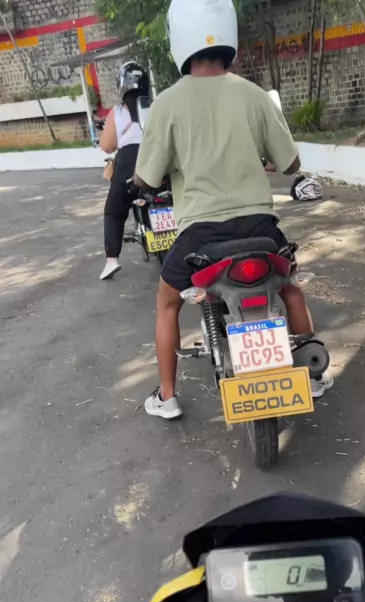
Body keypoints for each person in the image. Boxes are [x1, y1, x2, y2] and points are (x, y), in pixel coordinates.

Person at [134, 0, 333, 420]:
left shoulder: (167, 104)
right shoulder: (255, 95)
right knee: (290, 290)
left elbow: (146, 178)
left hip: (201, 236)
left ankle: (167, 397)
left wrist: (144, 179)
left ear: (177, 38)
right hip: (261, 229)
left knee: (167, 305)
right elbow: (291, 164)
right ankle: (314, 375)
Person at [99, 61, 150, 281]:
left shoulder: (117, 112)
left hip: (129, 165)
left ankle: (112, 260)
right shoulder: (157, 105)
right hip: (157, 161)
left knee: (113, 211)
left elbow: (107, 146)